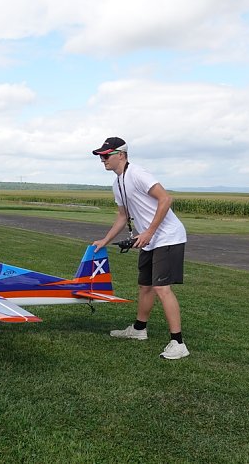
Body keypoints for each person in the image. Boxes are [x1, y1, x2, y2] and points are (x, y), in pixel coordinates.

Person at [90, 137, 190, 360]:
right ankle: (139, 329)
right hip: (149, 239)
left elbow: (166, 199)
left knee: (161, 288)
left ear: (121, 155)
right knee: (145, 286)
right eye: (101, 156)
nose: (102, 160)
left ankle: (178, 343)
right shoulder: (117, 183)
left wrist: (149, 232)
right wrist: (105, 240)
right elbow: (122, 216)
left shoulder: (137, 173)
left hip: (167, 237)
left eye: (106, 155)